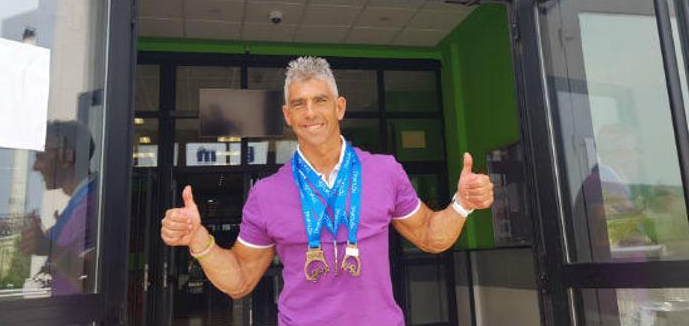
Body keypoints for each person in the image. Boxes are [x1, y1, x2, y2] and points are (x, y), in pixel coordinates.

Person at [161, 57, 494, 325]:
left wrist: (462, 204)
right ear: (287, 115)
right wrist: (198, 240)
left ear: (339, 107)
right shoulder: (267, 194)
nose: (310, 112)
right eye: (299, 104)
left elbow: (430, 236)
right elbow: (240, 281)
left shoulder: (385, 171)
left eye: (320, 100)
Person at [21, 120, 97, 296]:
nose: (34, 167)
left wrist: (49, 247)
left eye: (40, 156)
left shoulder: (92, 203)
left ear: (67, 157)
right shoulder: (79, 202)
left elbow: (91, 277)